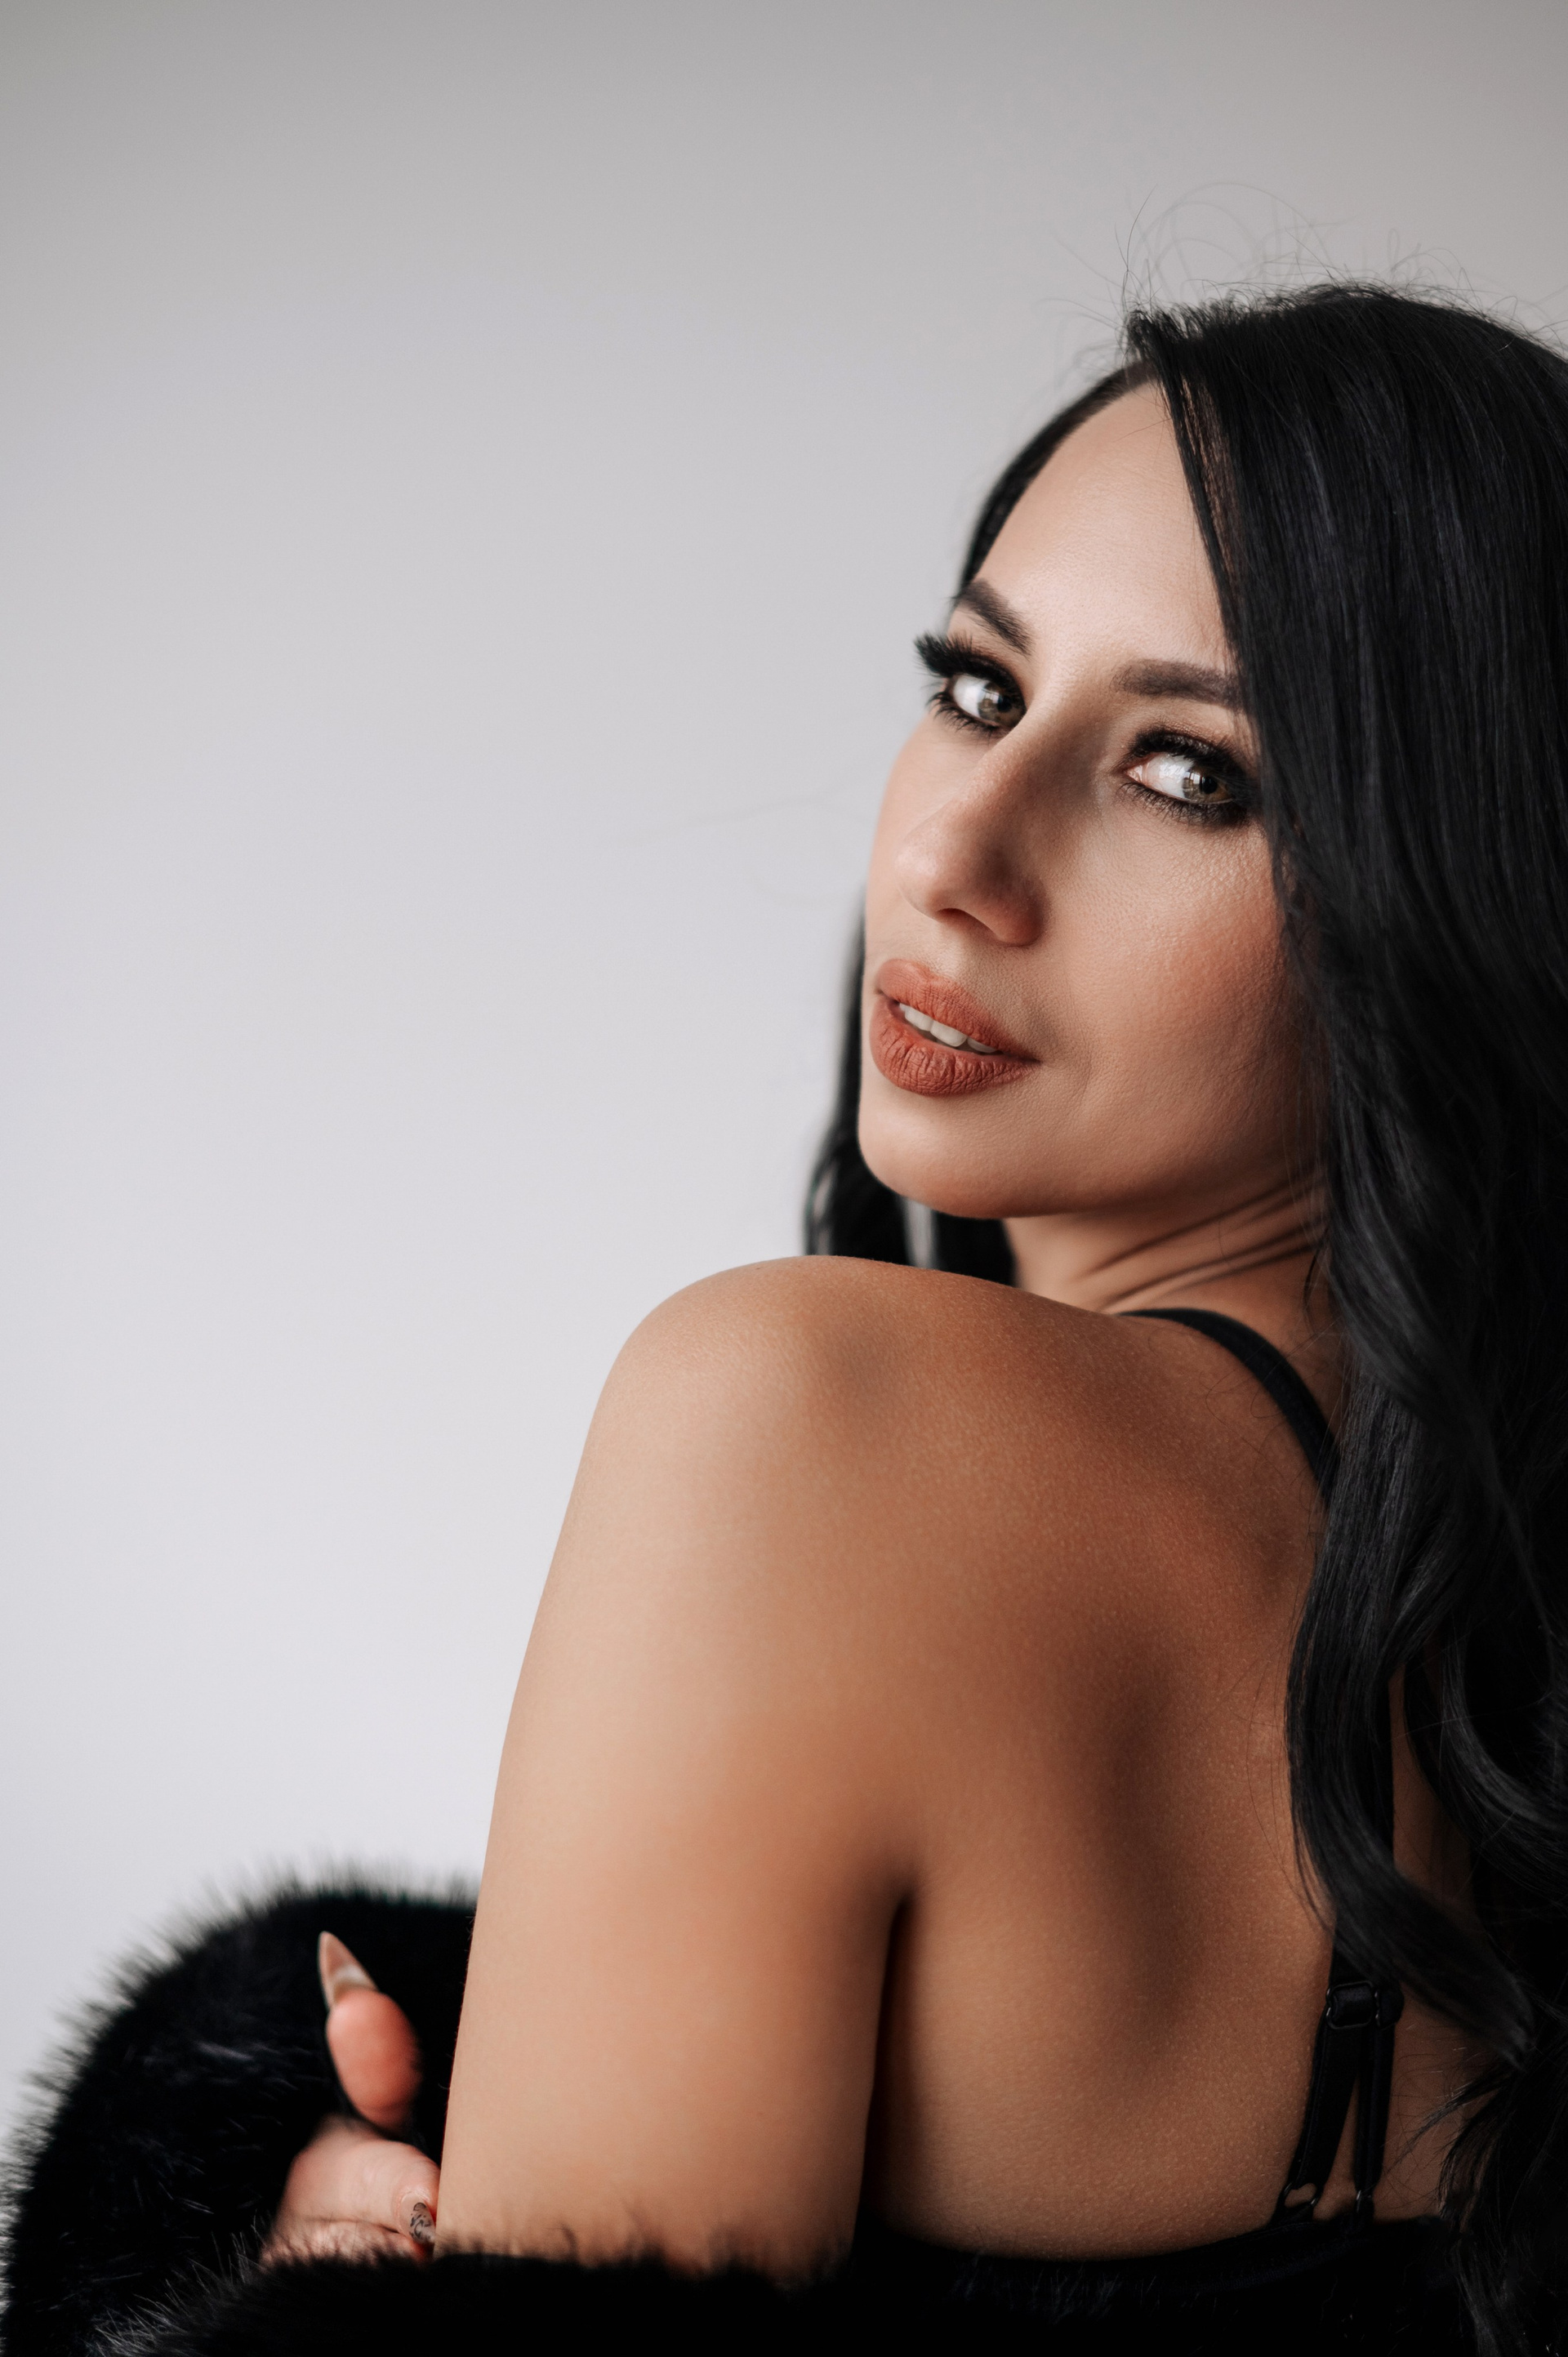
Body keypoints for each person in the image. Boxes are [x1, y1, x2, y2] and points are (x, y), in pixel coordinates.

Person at [8, 281, 1568, 2356]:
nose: (955, 852)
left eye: (1190, 772)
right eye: (980, 689)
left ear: (1453, 897)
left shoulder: (806, 1416)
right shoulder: (1494, 1643)